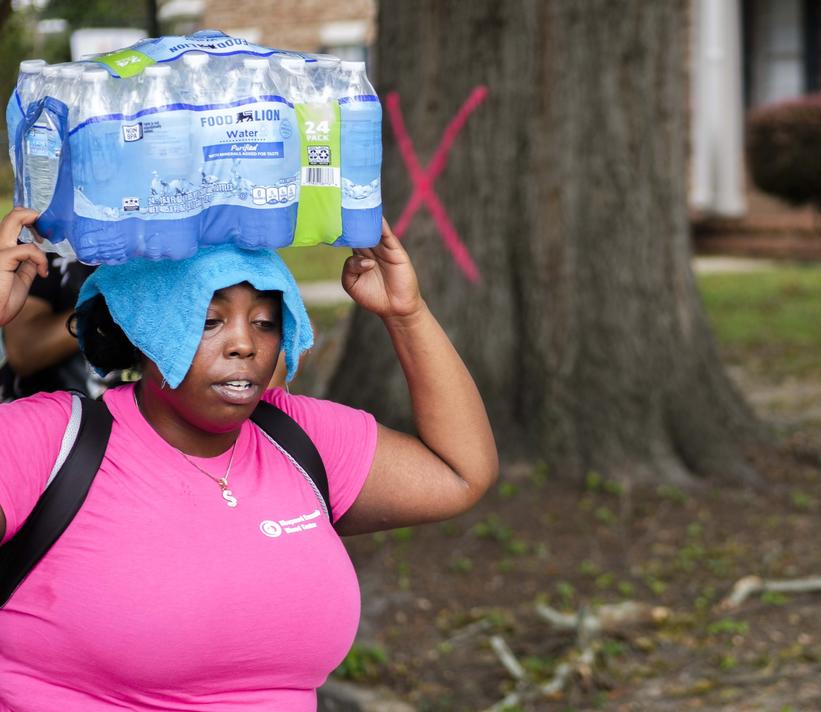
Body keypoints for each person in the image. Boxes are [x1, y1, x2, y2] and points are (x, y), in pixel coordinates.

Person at [0, 207, 499, 710]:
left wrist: (405, 314)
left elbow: (459, 473)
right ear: (143, 326)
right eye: (210, 319)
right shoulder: (51, 441)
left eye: (265, 321)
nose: (245, 344)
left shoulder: (298, 438)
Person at [0, 250, 114, 402]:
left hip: (135, 408)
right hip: (45, 407)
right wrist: (111, 305)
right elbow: (23, 351)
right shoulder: (48, 236)